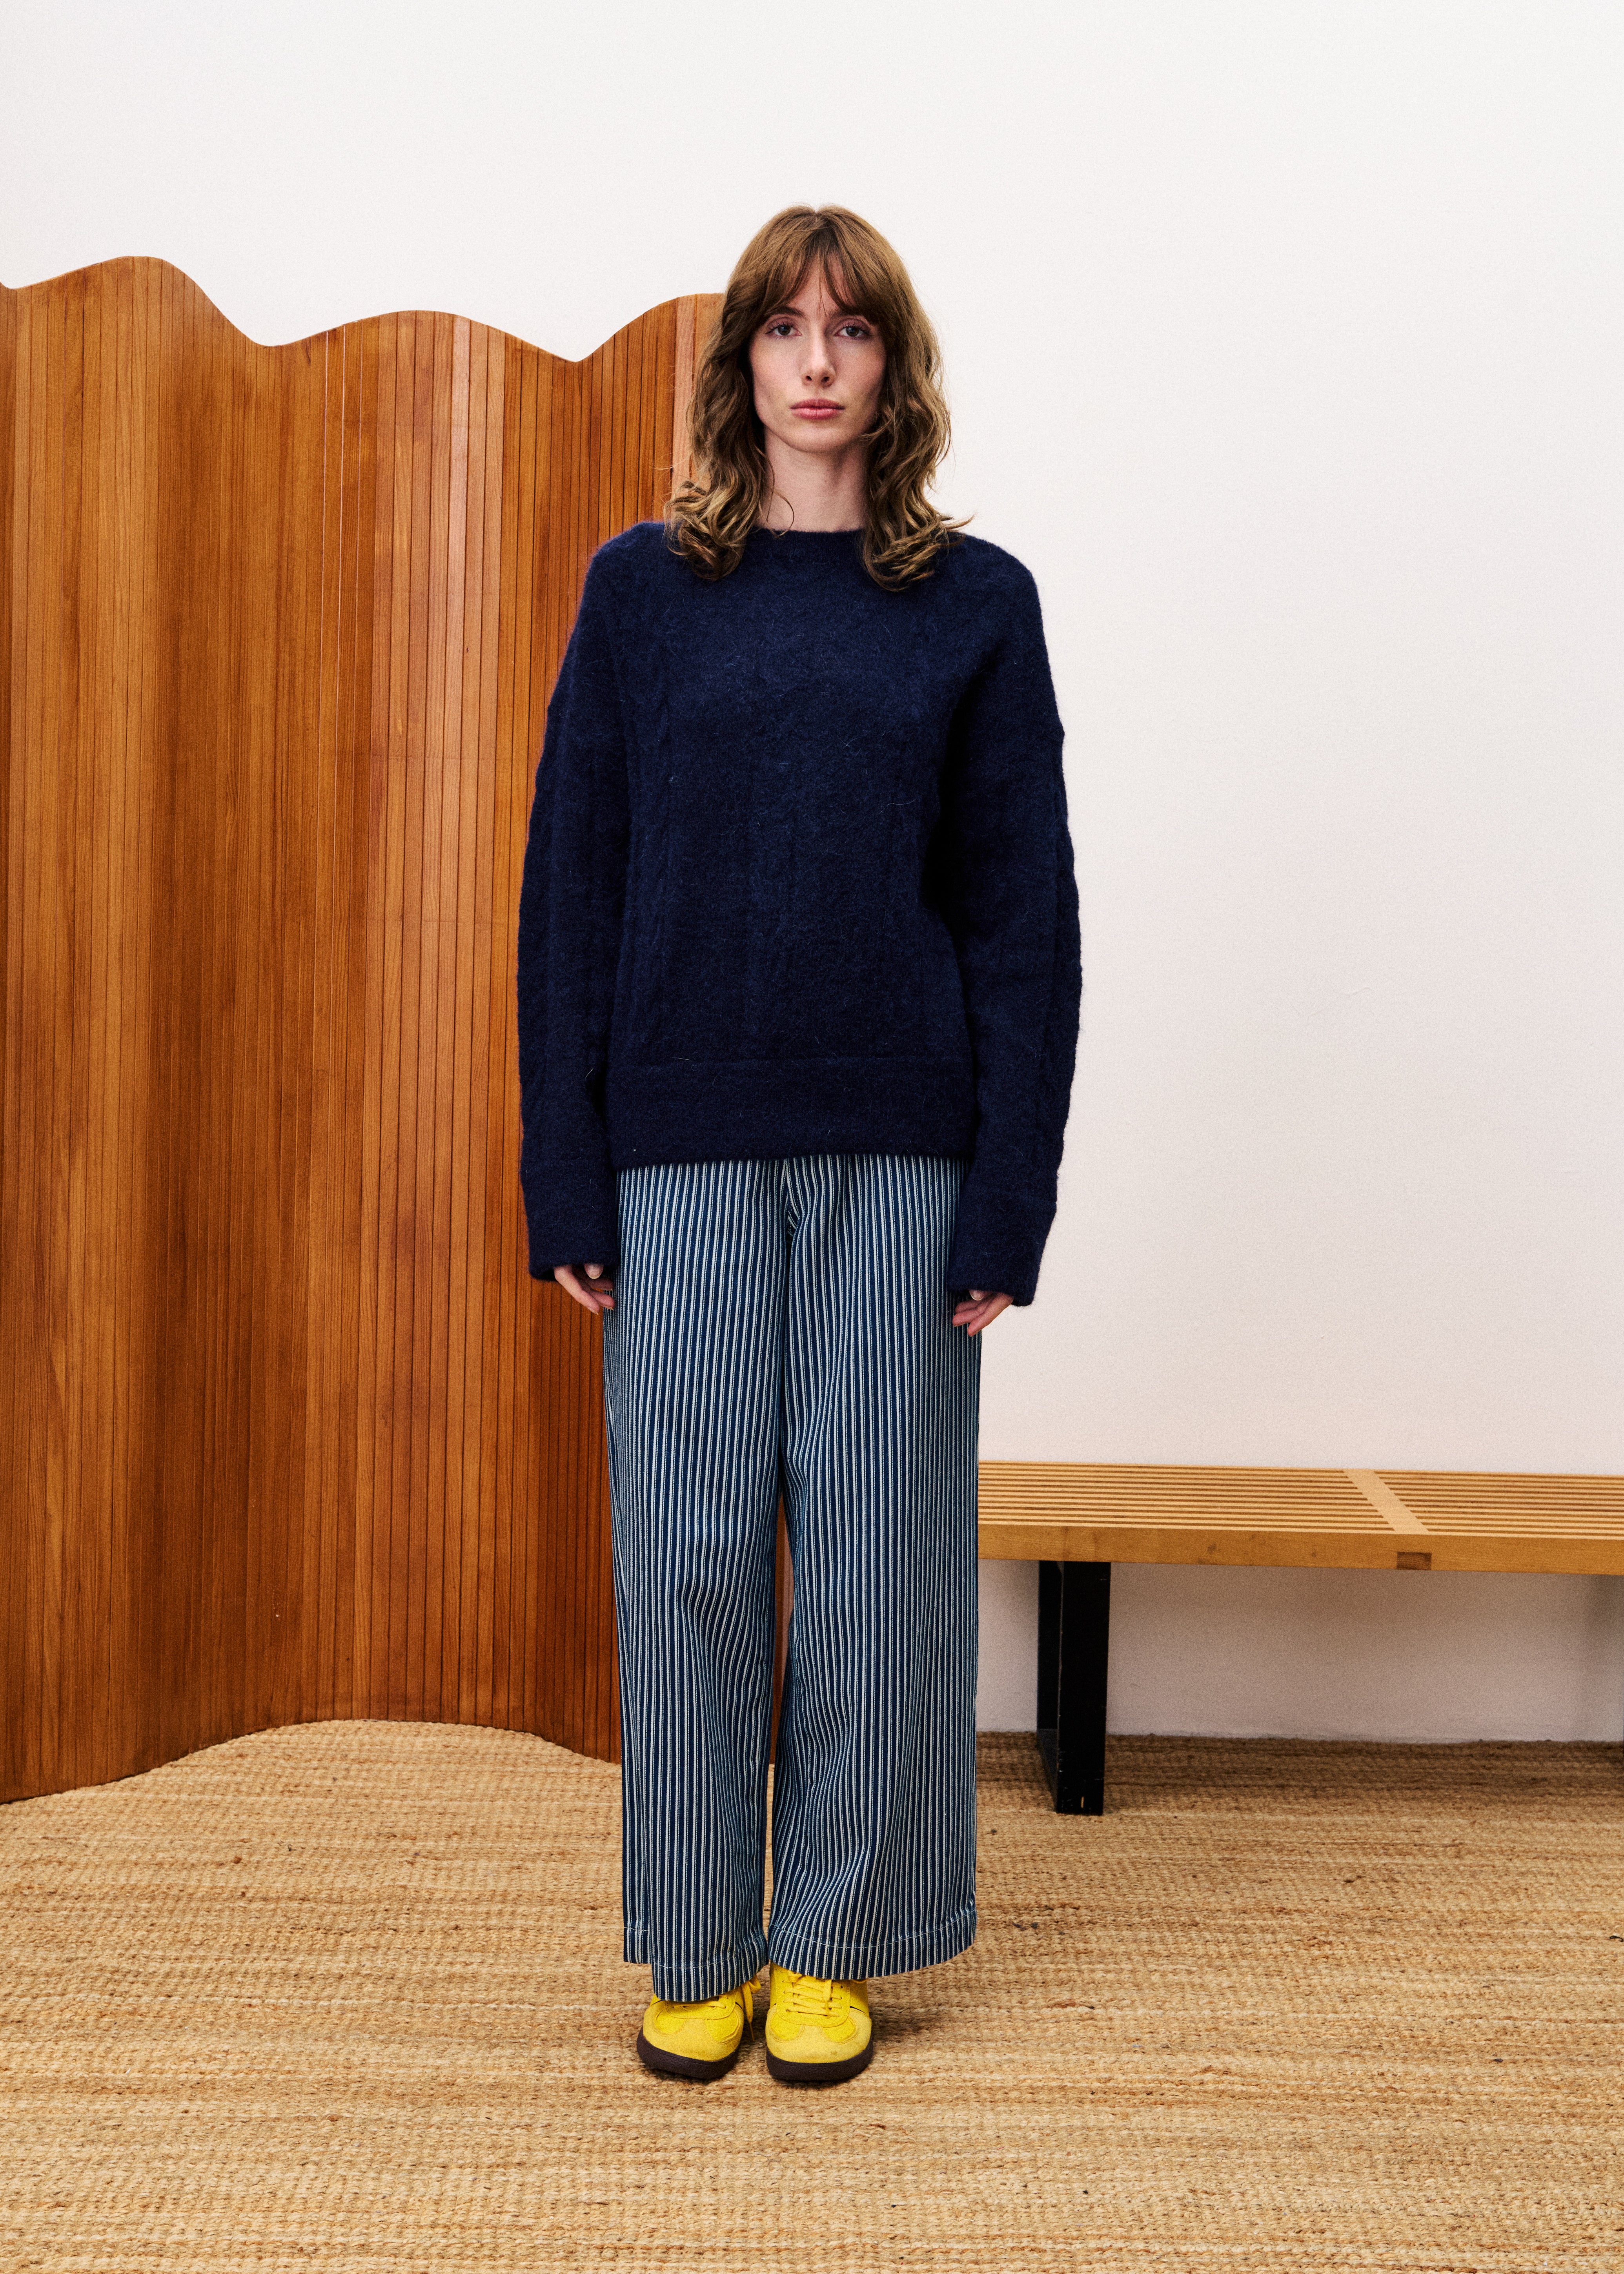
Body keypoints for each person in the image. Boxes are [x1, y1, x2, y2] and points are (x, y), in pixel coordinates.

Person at [516, 204, 1080, 2087]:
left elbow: (1024, 919)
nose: (817, 362)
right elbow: (571, 893)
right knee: (685, 1551)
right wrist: (565, 1166)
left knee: (875, 1560)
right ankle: (699, 1939)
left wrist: (1010, 1195)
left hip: (905, 1155)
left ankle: (837, 1935)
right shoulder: (640, 594)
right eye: (783, 327)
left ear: (893, 366)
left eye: (851, 329)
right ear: (741, 361)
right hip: (676, 1143)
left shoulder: (977, 605)